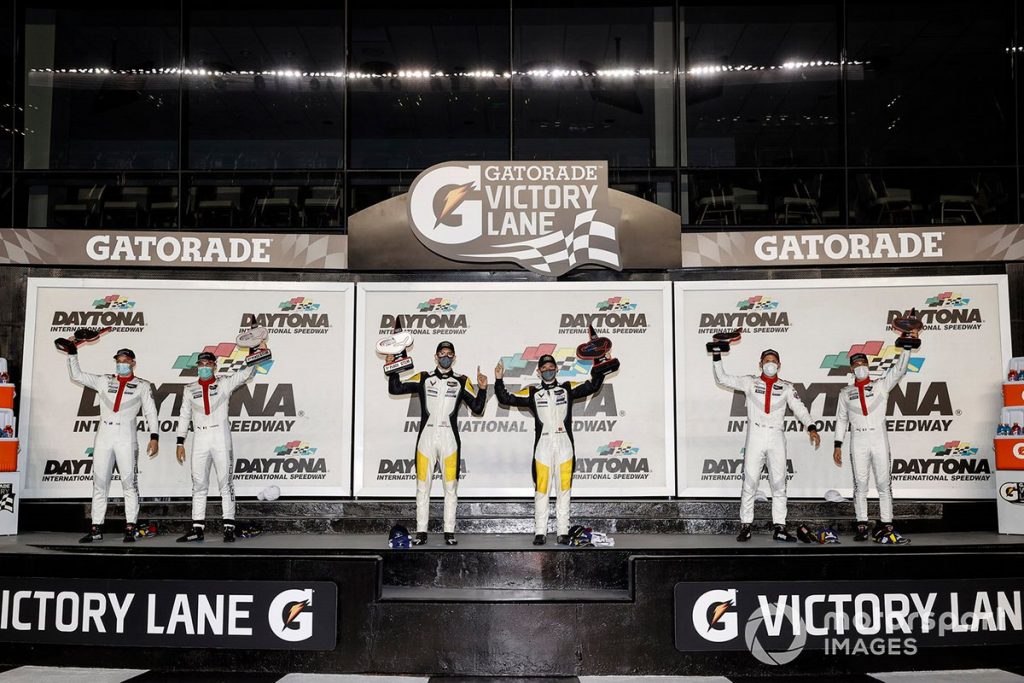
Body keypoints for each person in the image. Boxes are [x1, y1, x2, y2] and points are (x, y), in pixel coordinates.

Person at [493, 353, 610, 545]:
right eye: (544, 368)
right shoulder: (532, 392)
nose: (548, 370)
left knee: (564, 490)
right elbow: (506, 398)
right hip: (543, 448)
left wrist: (602, 364)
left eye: (551, 367)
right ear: (539, 372)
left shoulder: (567, 388)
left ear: (557, 369)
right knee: (541, 490)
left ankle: (563, 532)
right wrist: (498, 379)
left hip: (565, 446)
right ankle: (540, 532)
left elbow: (593, 385)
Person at [711, 348, 821, 542]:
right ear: (760, 364)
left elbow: (800, 408)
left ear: (779, 365)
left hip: (776, 436)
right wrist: (717, 355)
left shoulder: (786, 387)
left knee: (779, 484)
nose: (770, 363)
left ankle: (780, 527)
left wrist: (811, 426)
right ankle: (746, 525)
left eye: (774, 360)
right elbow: (722, 378)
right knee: (750, 482)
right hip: (756, 435)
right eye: (766, 360)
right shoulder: (750, 382)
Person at [387, 341, 487, 546]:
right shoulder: (424, 377)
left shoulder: (462, 380)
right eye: (442, 353)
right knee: (422, 487)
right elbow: (396, 388)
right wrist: (392, 369)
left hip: (450, 439)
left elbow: (477, 408)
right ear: (435, 357)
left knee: (451, 488)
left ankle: (449, 531)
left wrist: (483, 389)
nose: (446, 357)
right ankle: (421, 532)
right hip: (426, 438)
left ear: (455, 357)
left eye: (449, 354)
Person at [63, 344, 159, 543]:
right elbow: (77, 376)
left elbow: (150, 412)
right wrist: (72, 354)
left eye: (125, 361)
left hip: (126, 437)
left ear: (133, 363)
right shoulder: (103, 380)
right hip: (104, 437)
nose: (121, 364)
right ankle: (96, 528)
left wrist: (154, 436)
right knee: (99, 483)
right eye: (118, 361)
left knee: (129, 485)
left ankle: (130, 527)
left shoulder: (142, 385)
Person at [175, 345, 264, 543]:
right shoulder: (189, 389)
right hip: (199, 438)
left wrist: (254, 351)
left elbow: (246, 373)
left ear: (214, 366)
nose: (204, 368)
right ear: (197, 367)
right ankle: (197, 529)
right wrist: (180, 441)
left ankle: (229, 527)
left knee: (225, 484)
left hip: (220, 436)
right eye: (201, 365)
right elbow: (184, 416)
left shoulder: (224, 384)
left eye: (208, 364)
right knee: (199, 485)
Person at [832, 339, 918, 545]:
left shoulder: (880, 386)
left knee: (883, 484)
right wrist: (837, 444)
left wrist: (906, 348)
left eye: (863, 364)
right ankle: (861, 525)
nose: (860, 367)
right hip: (858, 439)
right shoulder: (845, 393)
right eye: (856, 365)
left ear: (867, 366)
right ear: (852, 369)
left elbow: (899, 370)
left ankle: (886, 525)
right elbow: (841, 419)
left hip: (879, 438)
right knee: (860, 485)